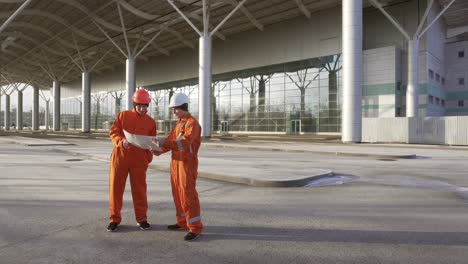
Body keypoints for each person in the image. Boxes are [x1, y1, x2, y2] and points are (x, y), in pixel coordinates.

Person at [152, 93, 203, 241]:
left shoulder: (192, 124)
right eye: (173, 109)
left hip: (187, 164)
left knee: (188, 195)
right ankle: (182, 222)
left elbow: (184, 143)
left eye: (176, 109)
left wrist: (163, 144)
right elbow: (171, 141)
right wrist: (158, 150)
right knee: (177, 193)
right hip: (176, 164)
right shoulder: (179, 124)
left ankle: (195, 227)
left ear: (184, 107)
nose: (174, 112)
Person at [107, 88, 157, 232]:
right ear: (134, 104)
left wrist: (149, 156)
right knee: (115, 189)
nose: (142, 109)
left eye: (145, 106)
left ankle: (142, 219)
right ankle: (114, 219)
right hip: (120, 158)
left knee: (140, 190)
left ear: (148, 105)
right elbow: (114, 132)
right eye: (139, 105)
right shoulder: (123, 115)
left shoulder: (151, 122)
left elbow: (152, 142)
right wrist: (120, 141)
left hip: (139, 160)